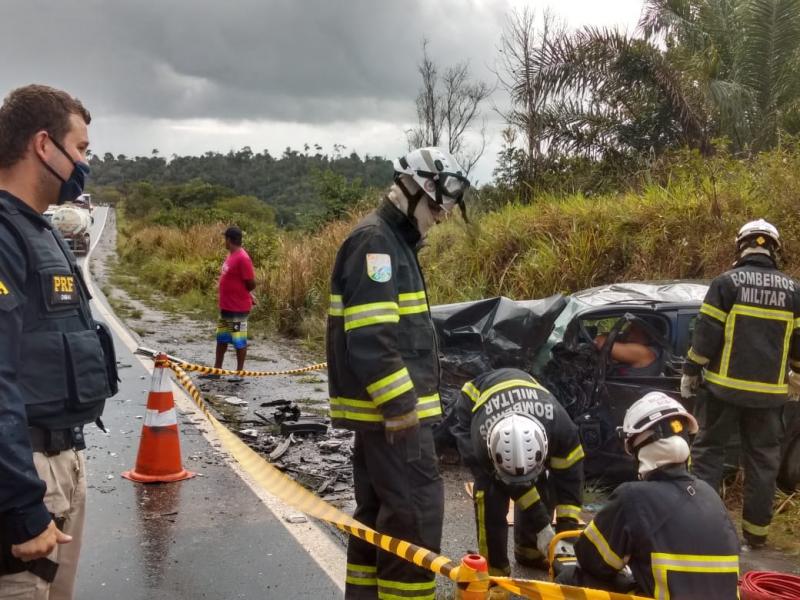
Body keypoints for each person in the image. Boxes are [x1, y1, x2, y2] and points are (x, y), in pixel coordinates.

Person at [326, 147, 469, 600]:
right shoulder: (377, 244)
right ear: (412, 190)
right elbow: (372, 339)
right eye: (436, 207)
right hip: (395, 420)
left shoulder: (391, 243)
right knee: (413, 519)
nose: (441, 217)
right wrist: (401, 407)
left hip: (384, 421)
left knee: (379, 519)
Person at [0, 84, 116, 599]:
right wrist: (21, 506)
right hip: (24, 474)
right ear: (44, 145)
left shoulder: (41, 230)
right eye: (81, 148)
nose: (84, 163)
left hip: (61, 459)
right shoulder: (4, 235)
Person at [682, 219, 800, 549]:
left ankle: (702, 528)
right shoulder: (794, 292)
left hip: (723, 391)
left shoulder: (726, 283)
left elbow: (706, 333)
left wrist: (691, 369)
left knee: (708, 455)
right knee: (763, 463)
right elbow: (799, 345)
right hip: (769, 398)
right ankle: (756, 536)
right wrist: (796, 376)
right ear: (774, 249)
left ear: (741, 246)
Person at [557, 392, 740, 599]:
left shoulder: (632, 497)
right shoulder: (710, 494)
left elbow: (592, 561)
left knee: (571, 577)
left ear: (637, 447)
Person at [451, 368, 584, 576]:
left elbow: (570, 482)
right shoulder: (482, 440)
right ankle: (494, 570)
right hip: (473, 402)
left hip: (529, 402)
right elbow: (514, 484)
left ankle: (529, 552)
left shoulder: (563, 429)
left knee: (544, 482)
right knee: (489, 492)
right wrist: (542, 524)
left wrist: (566, 536)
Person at [210, 225, 255, 382]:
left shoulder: (243, 258)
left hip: (237, 309)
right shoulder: (231, 255)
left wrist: (247, 294)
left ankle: (239, 373)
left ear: (229, 240)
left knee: (238, 340)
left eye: (225, 239)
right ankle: (216, 371)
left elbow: (250, 283)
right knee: (222, 339)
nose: (224, 241)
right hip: (227, 307)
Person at [594, 321, 660, 376]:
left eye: (632, 329)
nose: (626, 331)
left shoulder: (643, 352)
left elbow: (600, 342)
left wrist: (604, 336)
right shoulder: (647, 348)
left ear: (646, 332)